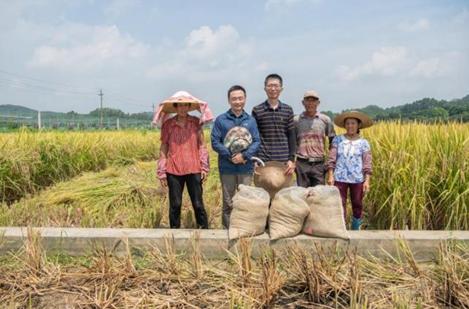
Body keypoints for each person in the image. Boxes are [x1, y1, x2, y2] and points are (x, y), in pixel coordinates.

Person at [153, 91, 214, 229]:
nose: (183, 108)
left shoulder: (195, 123)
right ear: (175, 107)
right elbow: (164, 147)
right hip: (173, 169)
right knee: (175, 204)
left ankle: (204, 232)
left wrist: (204, 166)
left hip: (194, 168)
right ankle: (174, 234)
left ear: (189, 107)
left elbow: (202, 145)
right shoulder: (168, 125)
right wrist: (161, 171)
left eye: (185, 105)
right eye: (179, 105)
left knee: (198, 203)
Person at [211, 85, 260, 228]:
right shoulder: (221, 120)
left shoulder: (250, 120)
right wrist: (231, 156)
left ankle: (245, 230)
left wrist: (244, 156)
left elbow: (256, 141)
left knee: (245, 200)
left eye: (240, 98)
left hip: (246, 167)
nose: (237, 101)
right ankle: (227, 230)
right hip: (227, 167)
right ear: (229, 100)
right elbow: (215, 142)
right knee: (228, 202)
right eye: (234, 99)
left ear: (245, 99)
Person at [326, 111, 373, 230]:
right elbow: (332, 158)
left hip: (357, 178)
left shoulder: (364, 143)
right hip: (339, 177)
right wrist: (331, 175)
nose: (350, 126)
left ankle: (356, 229)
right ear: (344, 125)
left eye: (353, 123)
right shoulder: (338, 140)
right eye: (347, 123)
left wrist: (367, 180)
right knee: (339, 204)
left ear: (358, 125)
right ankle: (341, 229)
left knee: (357, 204)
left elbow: (367, 163)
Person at [252, 73, 296, 175]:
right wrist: (255, 159)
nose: (273, 89)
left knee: (284, 190)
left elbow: (291, 136)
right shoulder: (257, 110)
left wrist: (291, 159)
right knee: (263, 190)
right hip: (263, 161)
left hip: (284, 161)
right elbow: (254, 137)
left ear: (281, 88)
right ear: (265, 88)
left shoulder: (288, 110)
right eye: (270, 86)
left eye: (276, 86)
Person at [295, 90, 336, 187]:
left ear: (318, 103)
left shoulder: (325, 120)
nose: (310, 103)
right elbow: (292, 143)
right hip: (302, 163)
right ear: (303, 103)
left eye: (313, 100)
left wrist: (329, 163)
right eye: (307, 100)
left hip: (319, 164)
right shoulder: (296, 120)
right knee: (302, 194)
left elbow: (333, 143)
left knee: (318, 195)